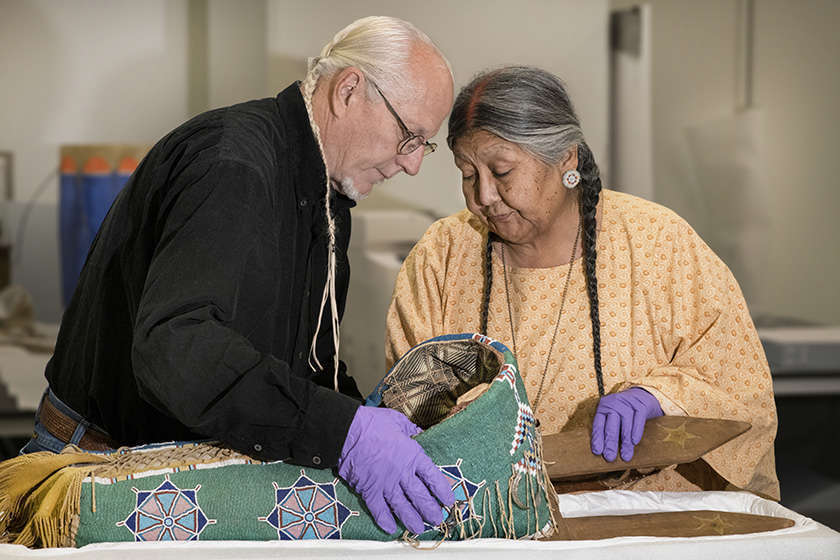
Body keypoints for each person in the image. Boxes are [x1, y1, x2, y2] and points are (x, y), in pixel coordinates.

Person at [24, 16, 455, 535]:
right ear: (349, 91)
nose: (412, 165)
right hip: (95, 474)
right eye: (411, 137)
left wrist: (368, 415)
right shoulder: (234, 164)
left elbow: (300, 365)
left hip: (175, 474)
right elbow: (178, 350)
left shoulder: (328, 195)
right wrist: (344, 433)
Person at [385, 66, 780, 499]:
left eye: (501, 172)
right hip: (493, 516)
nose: (484, 196)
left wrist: (658, 397)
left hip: (646, 522)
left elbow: (743, 389)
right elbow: (408, 402)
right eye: (467, 174)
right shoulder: (442, 256)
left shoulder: (657, 243)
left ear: (566, 159)